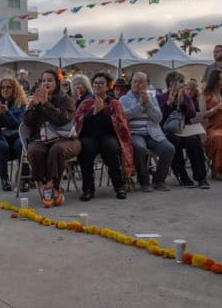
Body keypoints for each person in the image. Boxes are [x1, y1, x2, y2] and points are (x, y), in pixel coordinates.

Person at [23, 70, 81, 207]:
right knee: (34, 150)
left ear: (57, 83)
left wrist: (46, 104)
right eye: (43, 81)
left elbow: (61, 119)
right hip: (42, 140)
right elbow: (27, 122)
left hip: (66, 139)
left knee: (57, 149)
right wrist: (35, 106)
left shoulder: (66, 99)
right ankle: (46, 185)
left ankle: (51, 186)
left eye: (49, 80)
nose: (46, 83)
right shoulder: (36, 99)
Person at [74, 72, 132, 201]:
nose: (98, 86)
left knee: (111, 147)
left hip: (108, 135)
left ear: (107, 86)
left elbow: (119, 124)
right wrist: (93, 113)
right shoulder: (86, 103)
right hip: (90, 136)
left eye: (101, 83)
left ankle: (119, 187)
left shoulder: (114, 103)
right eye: (95, 83)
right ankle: (88, 189)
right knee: (85, 148)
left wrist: (101, 114)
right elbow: (79, 122)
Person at [119, 72, 175, 192]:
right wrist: (140, 105)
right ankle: (144, 181)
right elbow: (124, 116)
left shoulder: (152, 99)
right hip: (135, 133)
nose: (137, 84)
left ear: (146, 84)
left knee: (168, 149)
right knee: (139, 148)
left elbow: (158, 118)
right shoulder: (124, 99)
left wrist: (148, 103)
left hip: (152, 133)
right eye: (135, 81)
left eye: (141, 82)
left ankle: (158, 180)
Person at [157, 72, 209, 188]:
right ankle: (181, 174)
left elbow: (192, 114)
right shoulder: (161, 97)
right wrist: (168, 103)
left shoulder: (186, 97)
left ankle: (201, 177)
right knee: (175, 141)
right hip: (167, 131)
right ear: (171, 83)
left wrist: (183, 103)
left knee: (194, 141)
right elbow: (158, 117)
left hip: (184, 129)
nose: (183, 84)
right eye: (181, 82)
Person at [0, 77, 27, 191]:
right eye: (2, 87)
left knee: (21, 145)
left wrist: (7, 113)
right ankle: (5, 179)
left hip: (15, 134)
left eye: (8, 87)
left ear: (14, 89)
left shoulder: (20, 103)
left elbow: (19, 124)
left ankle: (24, 180)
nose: (5, 89)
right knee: (1, 146)